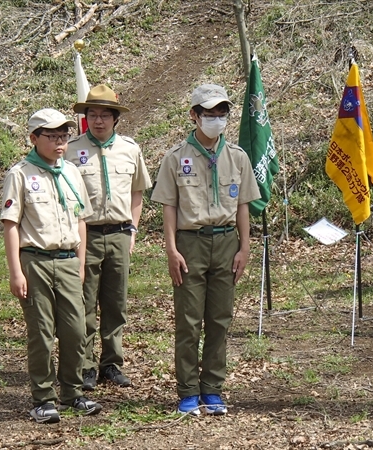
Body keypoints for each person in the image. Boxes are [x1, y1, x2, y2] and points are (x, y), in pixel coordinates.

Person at [150, 84, 261, 416]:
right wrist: (171, 249)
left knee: (220, 318)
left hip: (227, 243)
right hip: (190, 243)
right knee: (188, 319)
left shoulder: (238, 157)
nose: (216, 121)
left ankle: (212, 388)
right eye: (209, 115)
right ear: (193, 116)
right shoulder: (175, 158)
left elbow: (243, 206)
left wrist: (245, 247)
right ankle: (187, 390)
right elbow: (169, 206)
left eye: (221, 114)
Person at [0, 108, 102, 424]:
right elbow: (10, 224)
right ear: (34, 138)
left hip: (69, 260)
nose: (60, 142)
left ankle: (73, 392)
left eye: (64, 136)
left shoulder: (71, 172)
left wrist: (81, 262)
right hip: (36, 262)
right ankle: (43, 398)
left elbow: (81, 219)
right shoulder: (20, 174)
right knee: (42, 333)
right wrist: (16, 271)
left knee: (76, 329)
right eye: (52, 136)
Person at [65, 84, 152, 390]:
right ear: (85, 118)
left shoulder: (130, 149)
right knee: (84, 302)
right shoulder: (72, 151)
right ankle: (86, 365)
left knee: (116, 304)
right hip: (85, 235)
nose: (98, 121)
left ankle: (111, 364)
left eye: (104, 115)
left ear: (116, 119)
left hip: (118, 234)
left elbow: (137, 190)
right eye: (92, 114)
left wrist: (133, 229)